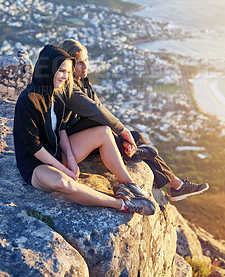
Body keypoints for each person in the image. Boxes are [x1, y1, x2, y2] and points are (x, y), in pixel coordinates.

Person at [58, 39, 209, 201]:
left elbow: (99, 106)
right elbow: (95, 111)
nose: (85, 66)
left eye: (86, 60)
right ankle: (134, 154)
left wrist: (124, 135)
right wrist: (122, 131)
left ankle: (175, 184)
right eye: (80, 63)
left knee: (134, 136)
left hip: (84, 135)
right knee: (104, 123)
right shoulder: (67, 87)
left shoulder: (82, 81)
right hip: (70, 141)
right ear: (69, 64)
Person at [13, 44, 155, 216]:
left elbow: (61, 130)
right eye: (61, 71)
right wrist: (64, 169)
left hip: (57, 152)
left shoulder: (56, 95)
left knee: (103, 132)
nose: (65, 77)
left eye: (67, 72)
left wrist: (71, 159)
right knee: (63, 183)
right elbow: (33, 146)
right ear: (47, 69)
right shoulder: (28, 100)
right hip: (37, 165)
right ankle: (122, 204)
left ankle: (128, 183)